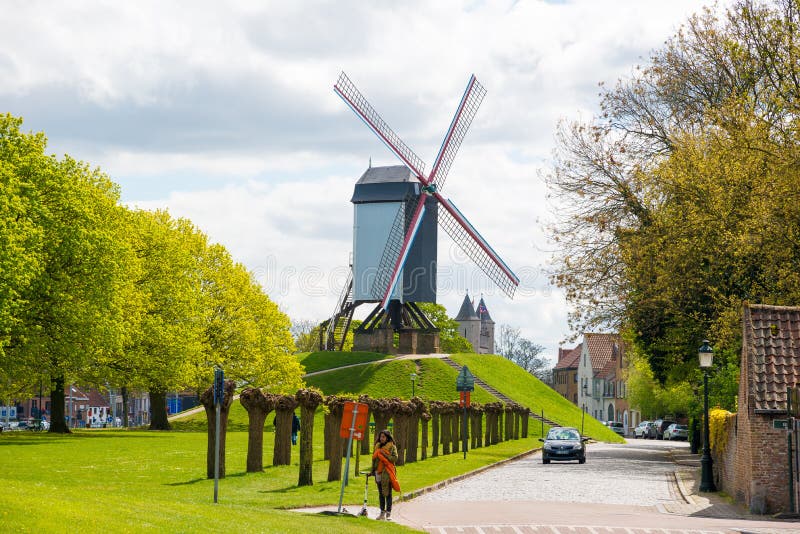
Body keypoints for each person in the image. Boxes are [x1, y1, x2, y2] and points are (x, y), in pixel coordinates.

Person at [370, 429, 399, 521]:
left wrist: (384, 455)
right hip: (378, 472)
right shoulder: (377, 447)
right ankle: (382, 512)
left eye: (383, 437)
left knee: (388, 493)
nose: (381, 438)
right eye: (380, 437)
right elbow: (374, 460)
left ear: (387, 437)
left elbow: (394, 458)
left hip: (387, 472)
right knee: (381, 493)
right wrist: (372, 471)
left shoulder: (392, 447)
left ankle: (388, 514)